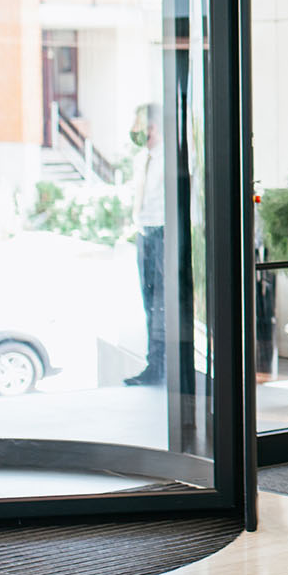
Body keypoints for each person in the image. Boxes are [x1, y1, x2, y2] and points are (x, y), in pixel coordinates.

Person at [125, 102, 165, 387]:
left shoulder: (170, 157)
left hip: (164, 233)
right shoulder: (143, 158)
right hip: (145, 233)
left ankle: (165, 366)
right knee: (149, 302)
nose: (135, 130)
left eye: (139, 125)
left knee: (164, 304)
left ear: (153, 127)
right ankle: (155, 365)